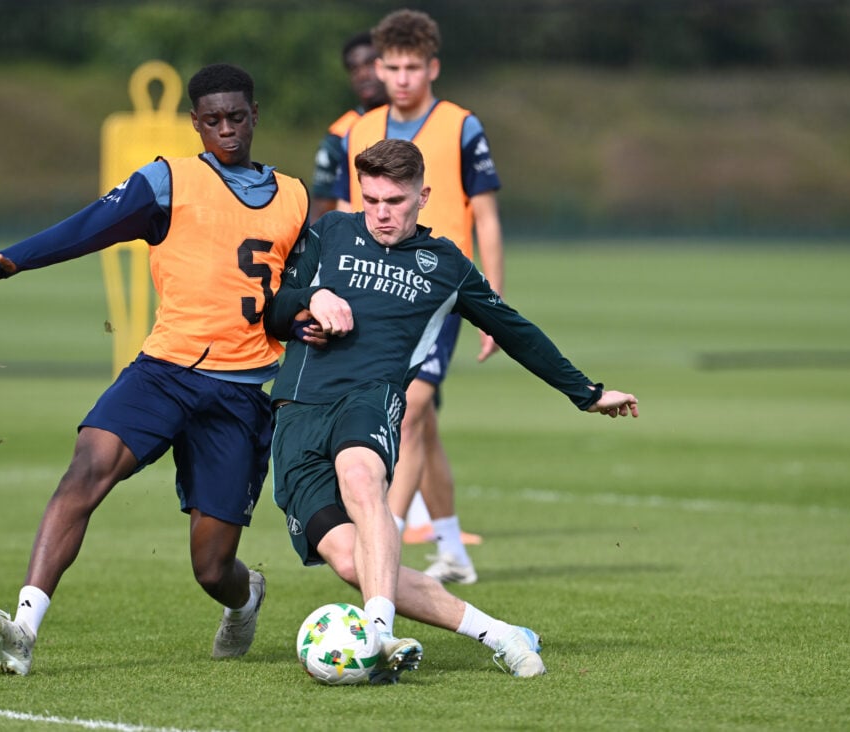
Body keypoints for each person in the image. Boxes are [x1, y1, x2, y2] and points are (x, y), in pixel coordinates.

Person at [0, 63, 309, 675]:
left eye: (237, 117)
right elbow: (89, 226)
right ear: (195, 123)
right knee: (86, 470)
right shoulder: (167, 181)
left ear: (255, 116)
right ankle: (25, 631)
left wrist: (303, 318)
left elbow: (286, 300)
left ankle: (246, 598)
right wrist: (12, 259)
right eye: (213, 120)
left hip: (241, 393)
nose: (226, 129)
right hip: (162, 371)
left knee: (212, 567)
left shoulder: (296, 198)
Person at [267, 139, 639, 683]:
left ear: (424, 195)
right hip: (298, 409)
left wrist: (585, 392)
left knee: (360, 476)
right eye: (370, 199)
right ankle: (502, 634)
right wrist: (307, 301)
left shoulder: (445, 266)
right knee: (353, 564)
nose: (381, 213)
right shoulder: (328, 233)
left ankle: (377, 632)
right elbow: (271, 304)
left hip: (370, 397)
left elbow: (514, 330)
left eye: (395, 200)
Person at [334, 8, 501, 583]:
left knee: (408, 416)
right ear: (377, 67)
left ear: (432, 68)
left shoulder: (460, 125)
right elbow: (339, 216)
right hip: (372, 290)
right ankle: (453, 549)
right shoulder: (355, 129)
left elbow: (487, 216)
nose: (402, 77)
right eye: (392, 66)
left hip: (439, 293)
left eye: (413, 67)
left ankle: (385, 543)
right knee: (422, 425)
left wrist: (493, 306)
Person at [309, 31, 388, 223]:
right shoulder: (340, 134)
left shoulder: (420, 121)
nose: (362, 75)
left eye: (370, 64)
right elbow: (322, 208)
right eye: (354, 69)